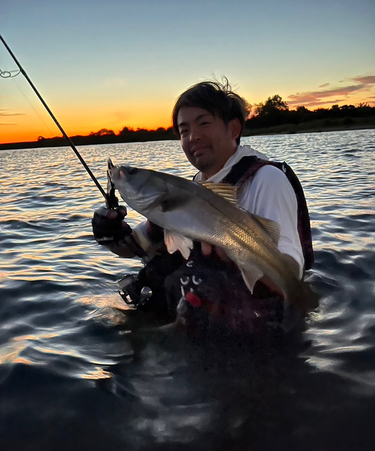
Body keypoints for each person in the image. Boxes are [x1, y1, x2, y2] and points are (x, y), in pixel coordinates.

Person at [92, 80, 313, 329]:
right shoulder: (192, 190)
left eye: (203, 123)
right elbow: (138, 247)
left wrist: (236, 257)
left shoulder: (267, 179)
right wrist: (110, 235)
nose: (193, 137)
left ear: (234, 128)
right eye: (183, 130)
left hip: (257, 332)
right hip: (201, 323)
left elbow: (292, 272)